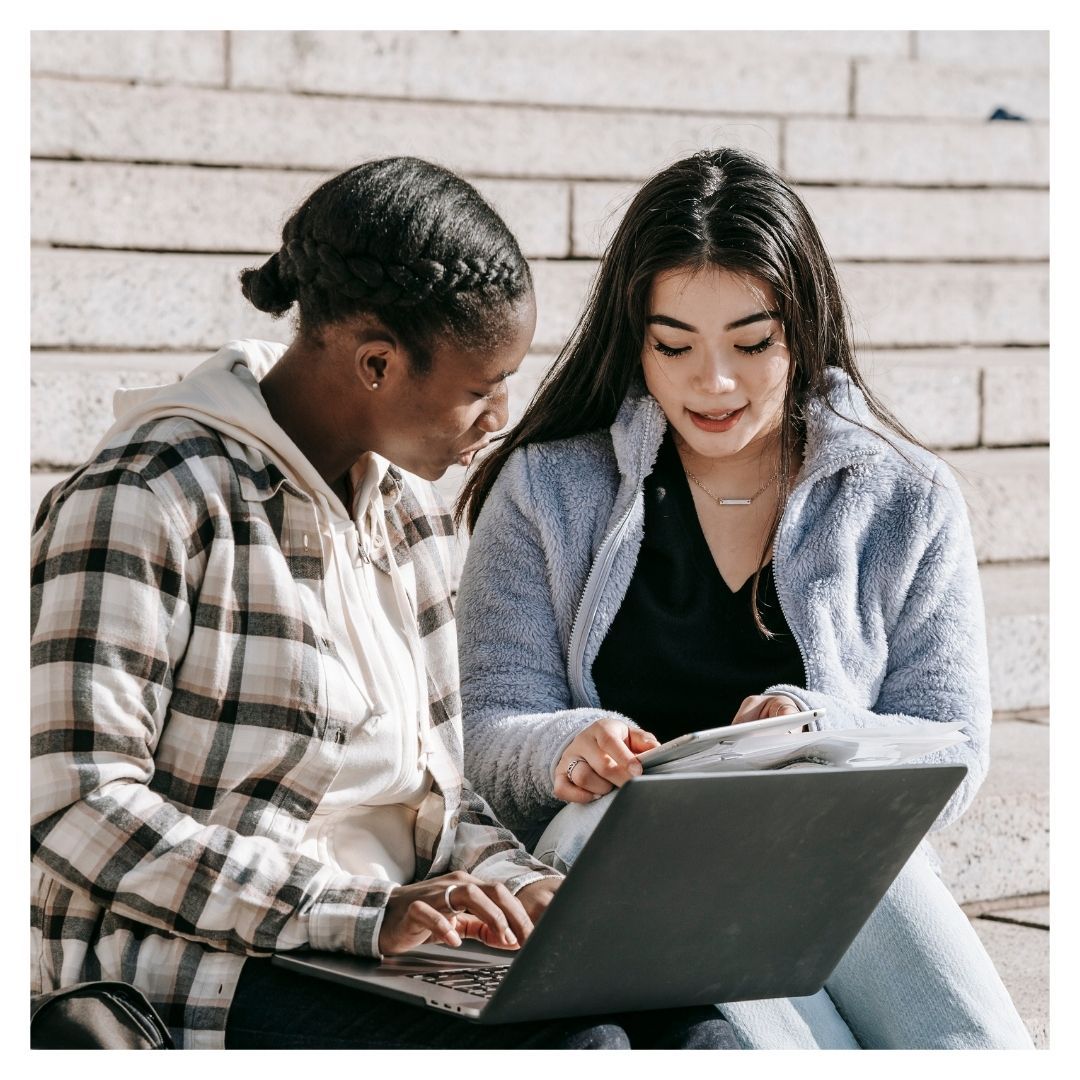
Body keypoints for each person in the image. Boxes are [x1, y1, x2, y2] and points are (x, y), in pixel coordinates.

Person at [30, 157, 737, 1051]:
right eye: (481, 387)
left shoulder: (409, 516)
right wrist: (353, 913)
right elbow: (71, 806)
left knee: (700, 1032)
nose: (500, 417)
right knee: (581, 1051)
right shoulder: (151, 497)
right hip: (195, 962)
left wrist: (515, 884)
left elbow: (438, 796)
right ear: (376, 362)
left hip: (391, 948)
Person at [454, 148, 1034, 1049]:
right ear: (633, 336)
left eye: (752, 343)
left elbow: (953, 746)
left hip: (827, 849)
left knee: (970, 1045)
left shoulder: (904, 497)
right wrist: (564, 744)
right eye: (674, 345)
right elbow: (490, 723)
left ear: (802, 329)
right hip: (618, 847)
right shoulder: (548, 488)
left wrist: (814, 729)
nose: (712, 382)